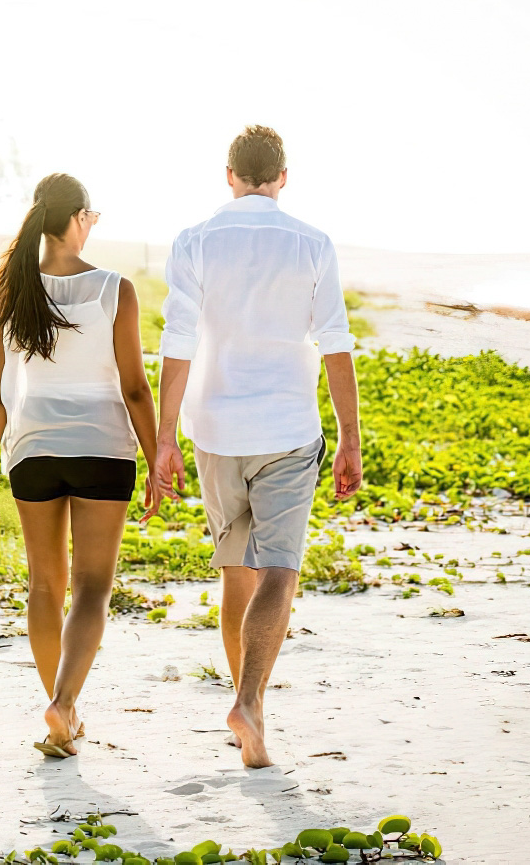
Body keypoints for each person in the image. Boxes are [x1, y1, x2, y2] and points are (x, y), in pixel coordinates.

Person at [150, 125, 364, 769]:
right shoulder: (311, 243)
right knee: (279, 570)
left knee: (236, 574)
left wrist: (164, 438)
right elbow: (335, 342)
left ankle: (254, 714)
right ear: (282, 178)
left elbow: (178, 340)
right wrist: (351, 439)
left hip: (214, 431)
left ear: (229, 175)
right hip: (288, 432)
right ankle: (250, 703)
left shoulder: (195, 242)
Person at [0, 173, 160, 759]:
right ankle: (65, 702)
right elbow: (133, 387)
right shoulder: (113, 289)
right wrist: (158, 461)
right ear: (78, 217)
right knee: (93, 588)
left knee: (45, 586)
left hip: (31, 452)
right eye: (92, 215)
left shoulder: (12, 290)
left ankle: (59, 710)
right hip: (103, 449)